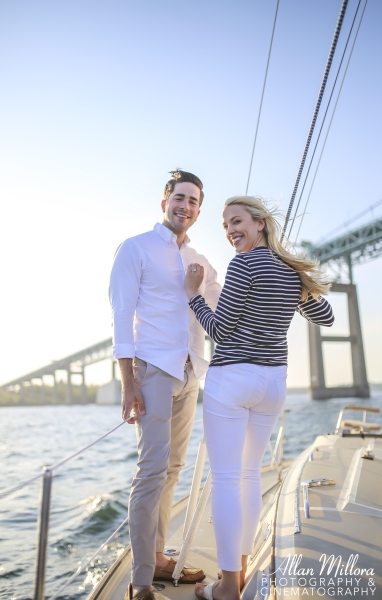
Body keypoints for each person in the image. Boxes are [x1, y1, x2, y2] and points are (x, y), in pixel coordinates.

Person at [184, 196, 334, 600]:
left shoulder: (244, 264)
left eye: (237, 221)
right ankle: (241, 572)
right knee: (250, 475)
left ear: (260, 224)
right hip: (273, 384)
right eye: (226, 225)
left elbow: (220, 330)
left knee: (230, 479)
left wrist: (193, 294)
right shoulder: (290, 269)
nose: (231, 230)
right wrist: (295, 289)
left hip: (233, 380)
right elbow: (327, 317)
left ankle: (227, 587)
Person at [109, 170, 221, 600]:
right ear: (164, 202)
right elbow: (121, 317)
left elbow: (221, 305)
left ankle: (156, 557)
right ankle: (139, 584)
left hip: (190, 374)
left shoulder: (201, 261)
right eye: (179, 197)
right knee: (151, 473)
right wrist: (127, 382)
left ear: (197, 210)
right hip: (152, 371)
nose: (186, 206)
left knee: (172, 471)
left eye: (193, 201)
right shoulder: (135, 248)